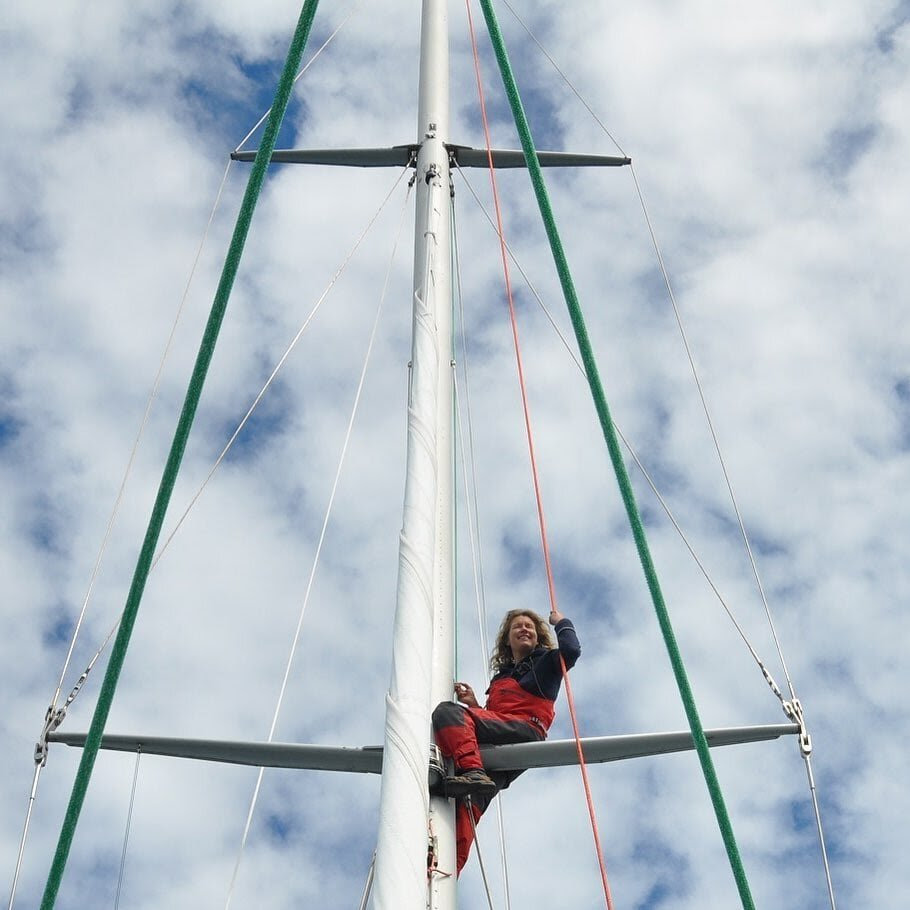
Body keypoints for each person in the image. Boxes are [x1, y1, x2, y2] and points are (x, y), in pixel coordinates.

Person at [432, 607, 581, 874]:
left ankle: (474, 771)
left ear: (537, 638)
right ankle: (442, 876)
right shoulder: (502, 678)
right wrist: (476, 705)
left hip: (526, 732)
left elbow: (571, 652)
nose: (524, 629)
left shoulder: (545, 663)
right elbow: (495, 719)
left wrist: (562, 622)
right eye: (517, 627)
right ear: (507, 640)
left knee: (448, 712)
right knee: (463, 809)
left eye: (529, 627)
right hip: (503, 738)